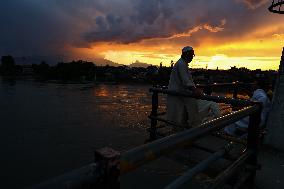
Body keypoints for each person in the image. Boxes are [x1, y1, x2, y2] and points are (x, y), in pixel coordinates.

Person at [166, 46, 202, 128]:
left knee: (178, 116)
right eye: (192, 55)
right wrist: (195, 90)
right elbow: (186, 81)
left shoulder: (182, 63)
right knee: (177, 117)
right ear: (187, 54)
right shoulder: (181, 64)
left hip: (179, 94)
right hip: (177, 94)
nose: (192, 58)